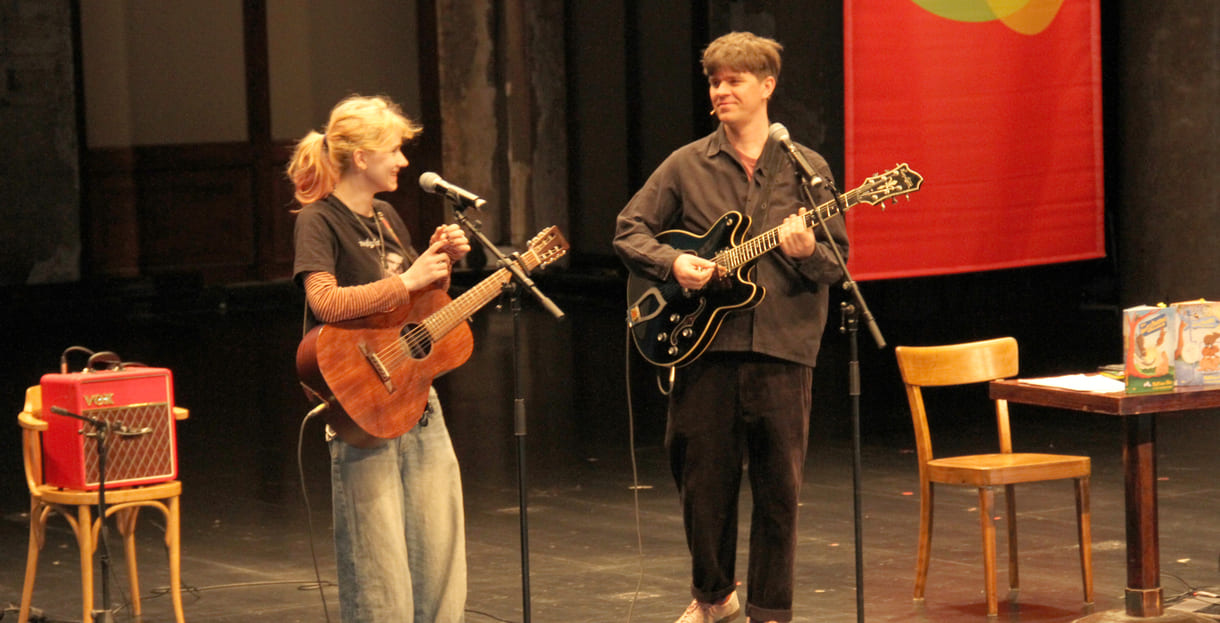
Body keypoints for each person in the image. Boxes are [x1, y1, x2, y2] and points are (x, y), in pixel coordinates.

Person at [613, 32, 849, 623]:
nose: (721, 90)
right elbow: (628, 230)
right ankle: (715, 598)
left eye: (734, 80)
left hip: (783, 347)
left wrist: (805, 251)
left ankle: (770, 611)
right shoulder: (686, 164)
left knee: (779, 494)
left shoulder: (807, 168)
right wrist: (674, 263)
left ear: (767, 86)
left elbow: (837, 264)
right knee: (703, 488)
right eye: (714, 81)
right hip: (703, 348)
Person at [288, 94, 471, 623]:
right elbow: (325, 301)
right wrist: (407, 279)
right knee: (378, 562)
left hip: (416, 399)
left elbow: (411, 306)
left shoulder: (387, 216)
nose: (403, 161)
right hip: (362, 405)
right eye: (393, 150)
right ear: (362, 156)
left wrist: (438, 264)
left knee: (440, 550)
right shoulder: (319, 220)